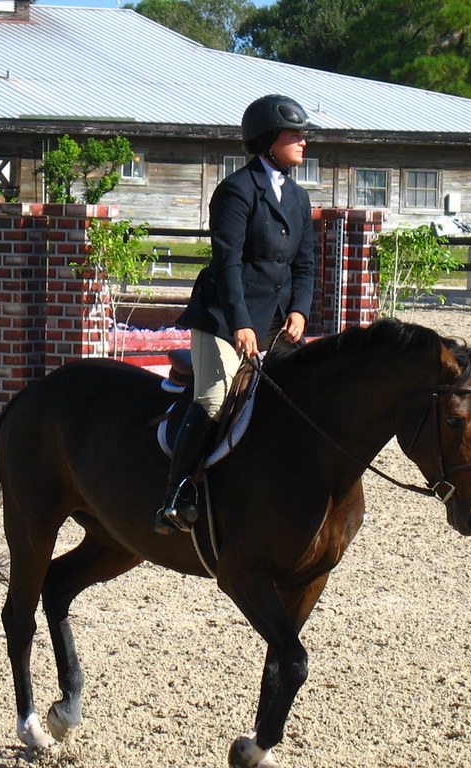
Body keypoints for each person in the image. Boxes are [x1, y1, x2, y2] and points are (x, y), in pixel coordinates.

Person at [154, 94, 317, 534]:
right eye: (294, 135)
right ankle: (176, 494)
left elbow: (305, 264)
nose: (303, 142)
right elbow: (227, 264)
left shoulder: (299, 198)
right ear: (268, 141)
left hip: (277, 321)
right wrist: (242, 323)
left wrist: (300, 311)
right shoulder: (236, 191)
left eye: (303, 135)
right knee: (213, 396)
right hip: (226, 317)